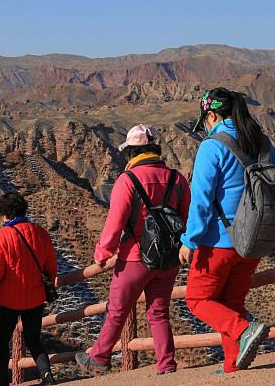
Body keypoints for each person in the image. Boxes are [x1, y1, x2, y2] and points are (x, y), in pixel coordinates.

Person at [179, 88, 275, 373]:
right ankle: (232, 365)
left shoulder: (212, 146)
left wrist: (190, 240)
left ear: (211, 115)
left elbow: (201, 199)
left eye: (205, 121)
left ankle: (244, 329)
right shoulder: (262, 142)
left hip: (219, 242)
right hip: (254, 241)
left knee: (197, 300)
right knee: (231, 303)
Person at [76, 124, 190, 375]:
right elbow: (187, 219)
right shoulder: (177, 178)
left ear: (131, 152)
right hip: (168, 258)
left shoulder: (127, 180)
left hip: (134, 257)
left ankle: (99, 357)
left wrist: (102, 253)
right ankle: (167, 365)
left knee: (117, 310)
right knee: (159, 313)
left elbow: (115, 223)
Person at [0, 192, 58, 386]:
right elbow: (51, 266)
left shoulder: (2, 236)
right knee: (33, 339)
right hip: (35, 298)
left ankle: (2, 382)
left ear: (6, 214)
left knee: (1, 342)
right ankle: (47, 375)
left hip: (7, 300)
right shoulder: (41, 233)